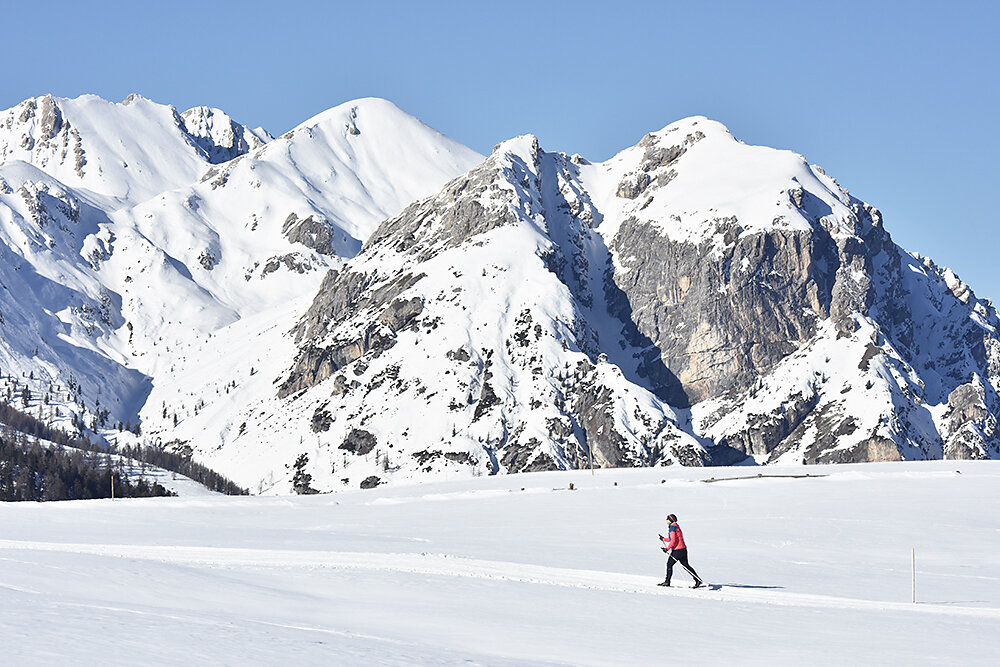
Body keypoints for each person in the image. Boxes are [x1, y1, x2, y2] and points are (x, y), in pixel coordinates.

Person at [659, 513, 703, 588]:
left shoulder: (672, 528)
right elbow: (671, 539)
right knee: (686, 565)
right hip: (683, 549)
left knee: (669, 564)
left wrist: (666, 549)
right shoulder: (676, 527)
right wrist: (663, 539)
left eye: (667, 519)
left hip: (677, 551)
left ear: (670, 520)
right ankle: (697, 580)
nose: (666, 520)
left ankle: (667, 582)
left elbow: (672, 541)